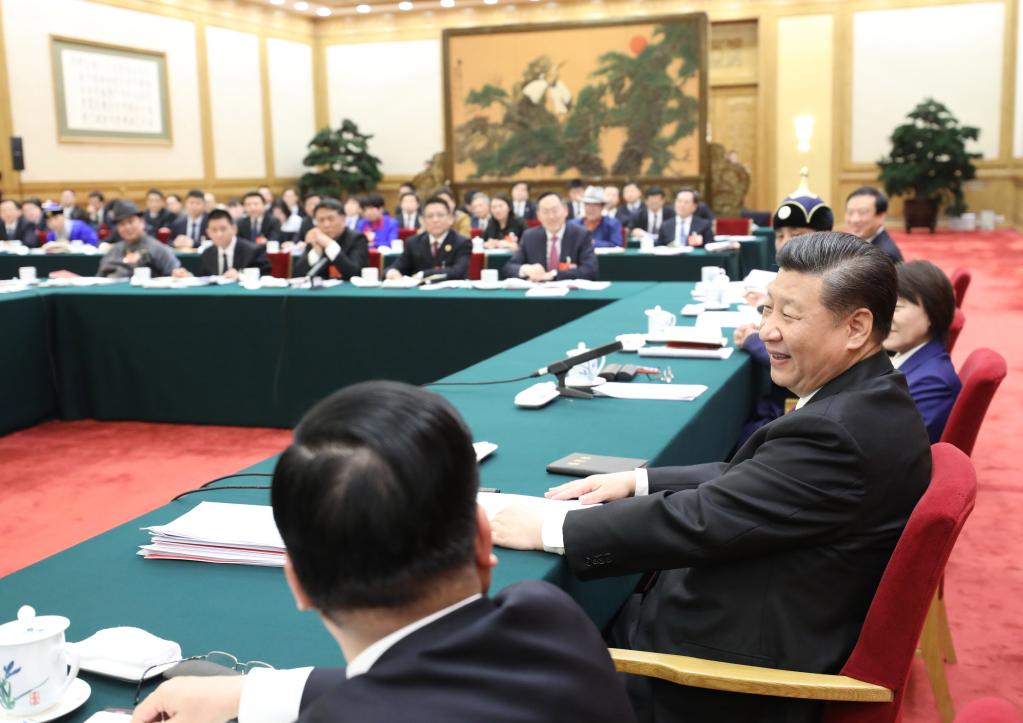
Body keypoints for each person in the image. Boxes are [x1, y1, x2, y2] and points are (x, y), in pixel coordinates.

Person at [491, 231, 931, 723]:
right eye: (767, 309)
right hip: (758, 610)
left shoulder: (839, 434)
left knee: (511, 659)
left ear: (856, 327)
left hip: (720, 675)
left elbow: (699, 519)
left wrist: (551, 528)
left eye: (789, 316)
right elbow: (757, 480)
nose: (767, 331)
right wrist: (637, 482)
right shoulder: (870, 396)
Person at [130, 381, 636, 723]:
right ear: (483, 540)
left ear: (297, 583)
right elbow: (429, 681)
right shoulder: (547, 614)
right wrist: (252, 692)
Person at [734, 191, 836, 442]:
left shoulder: (830, 286)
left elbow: (809, 357)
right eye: (780, 236)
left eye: (796, 235)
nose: (785, 243)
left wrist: (753, 341)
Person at [884, 260, 962, 442]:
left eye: (896, 308)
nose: (885, 317)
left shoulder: (932, 383)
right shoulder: (909, 359)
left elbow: (898, 448)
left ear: (932, 315)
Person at [502, 191, 598, 281]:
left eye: (555, 210)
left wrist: (554, 275)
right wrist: (526, 269)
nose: (551, 216)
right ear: (538, 215)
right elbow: (508, 268)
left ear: (565, 210)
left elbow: (590, 270)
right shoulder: (529, 236)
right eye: (545, 212)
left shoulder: (581, 234)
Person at [385, 195, 471, 281]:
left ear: (451, 219)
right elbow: (396, 267)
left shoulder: (462, 242)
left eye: (440, 215)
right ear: (423, 220)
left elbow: (458, 271)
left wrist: (423, 274)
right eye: (430, 216)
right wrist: (392, 272)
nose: (435, 220)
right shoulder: (413, 243)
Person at [97, 201, 185, 278]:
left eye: (131, 221)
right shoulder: (114, 251)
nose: (127, 227)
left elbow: (177, 274)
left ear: (142, 222)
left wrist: (180, 274)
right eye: (122, 224)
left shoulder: (158, 249)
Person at [293, 199, 369, 280]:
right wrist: (316, 252)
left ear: (343, 219)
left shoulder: (357, 239)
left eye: (331, 219)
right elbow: (297, 275)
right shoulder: (315, 240)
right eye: (321, 220)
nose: (326, 224)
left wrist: (330, 245)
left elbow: (355, 273)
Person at [197, 209, 272, 278]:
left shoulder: (253, 251)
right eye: (214, 230)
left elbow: (265, 275)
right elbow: (203, 278)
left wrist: (240, 276)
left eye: (223, 229)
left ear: (234, 229)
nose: (219, 234)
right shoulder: (207, 254)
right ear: (208, 233)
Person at [845, 186, 903, 263]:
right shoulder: (854, 242)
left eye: (862, 212)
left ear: (881, 216)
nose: (854, 219)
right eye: (850, 212)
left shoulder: (884, 255)